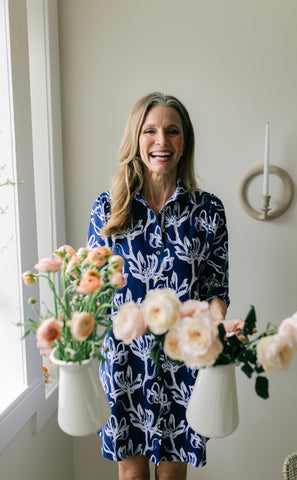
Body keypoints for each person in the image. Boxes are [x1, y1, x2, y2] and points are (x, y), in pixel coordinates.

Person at [87, 92, 242, 480]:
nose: (162, 141)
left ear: (184, 141)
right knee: (132, 475)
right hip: (125, 362)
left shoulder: (208, 210)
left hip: (181, 360)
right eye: (151, 131)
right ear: (136, 139)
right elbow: (93, 287)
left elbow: (215, 288)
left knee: (172, 476)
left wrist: (220, 331)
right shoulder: (107, 208)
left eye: (172, 132)